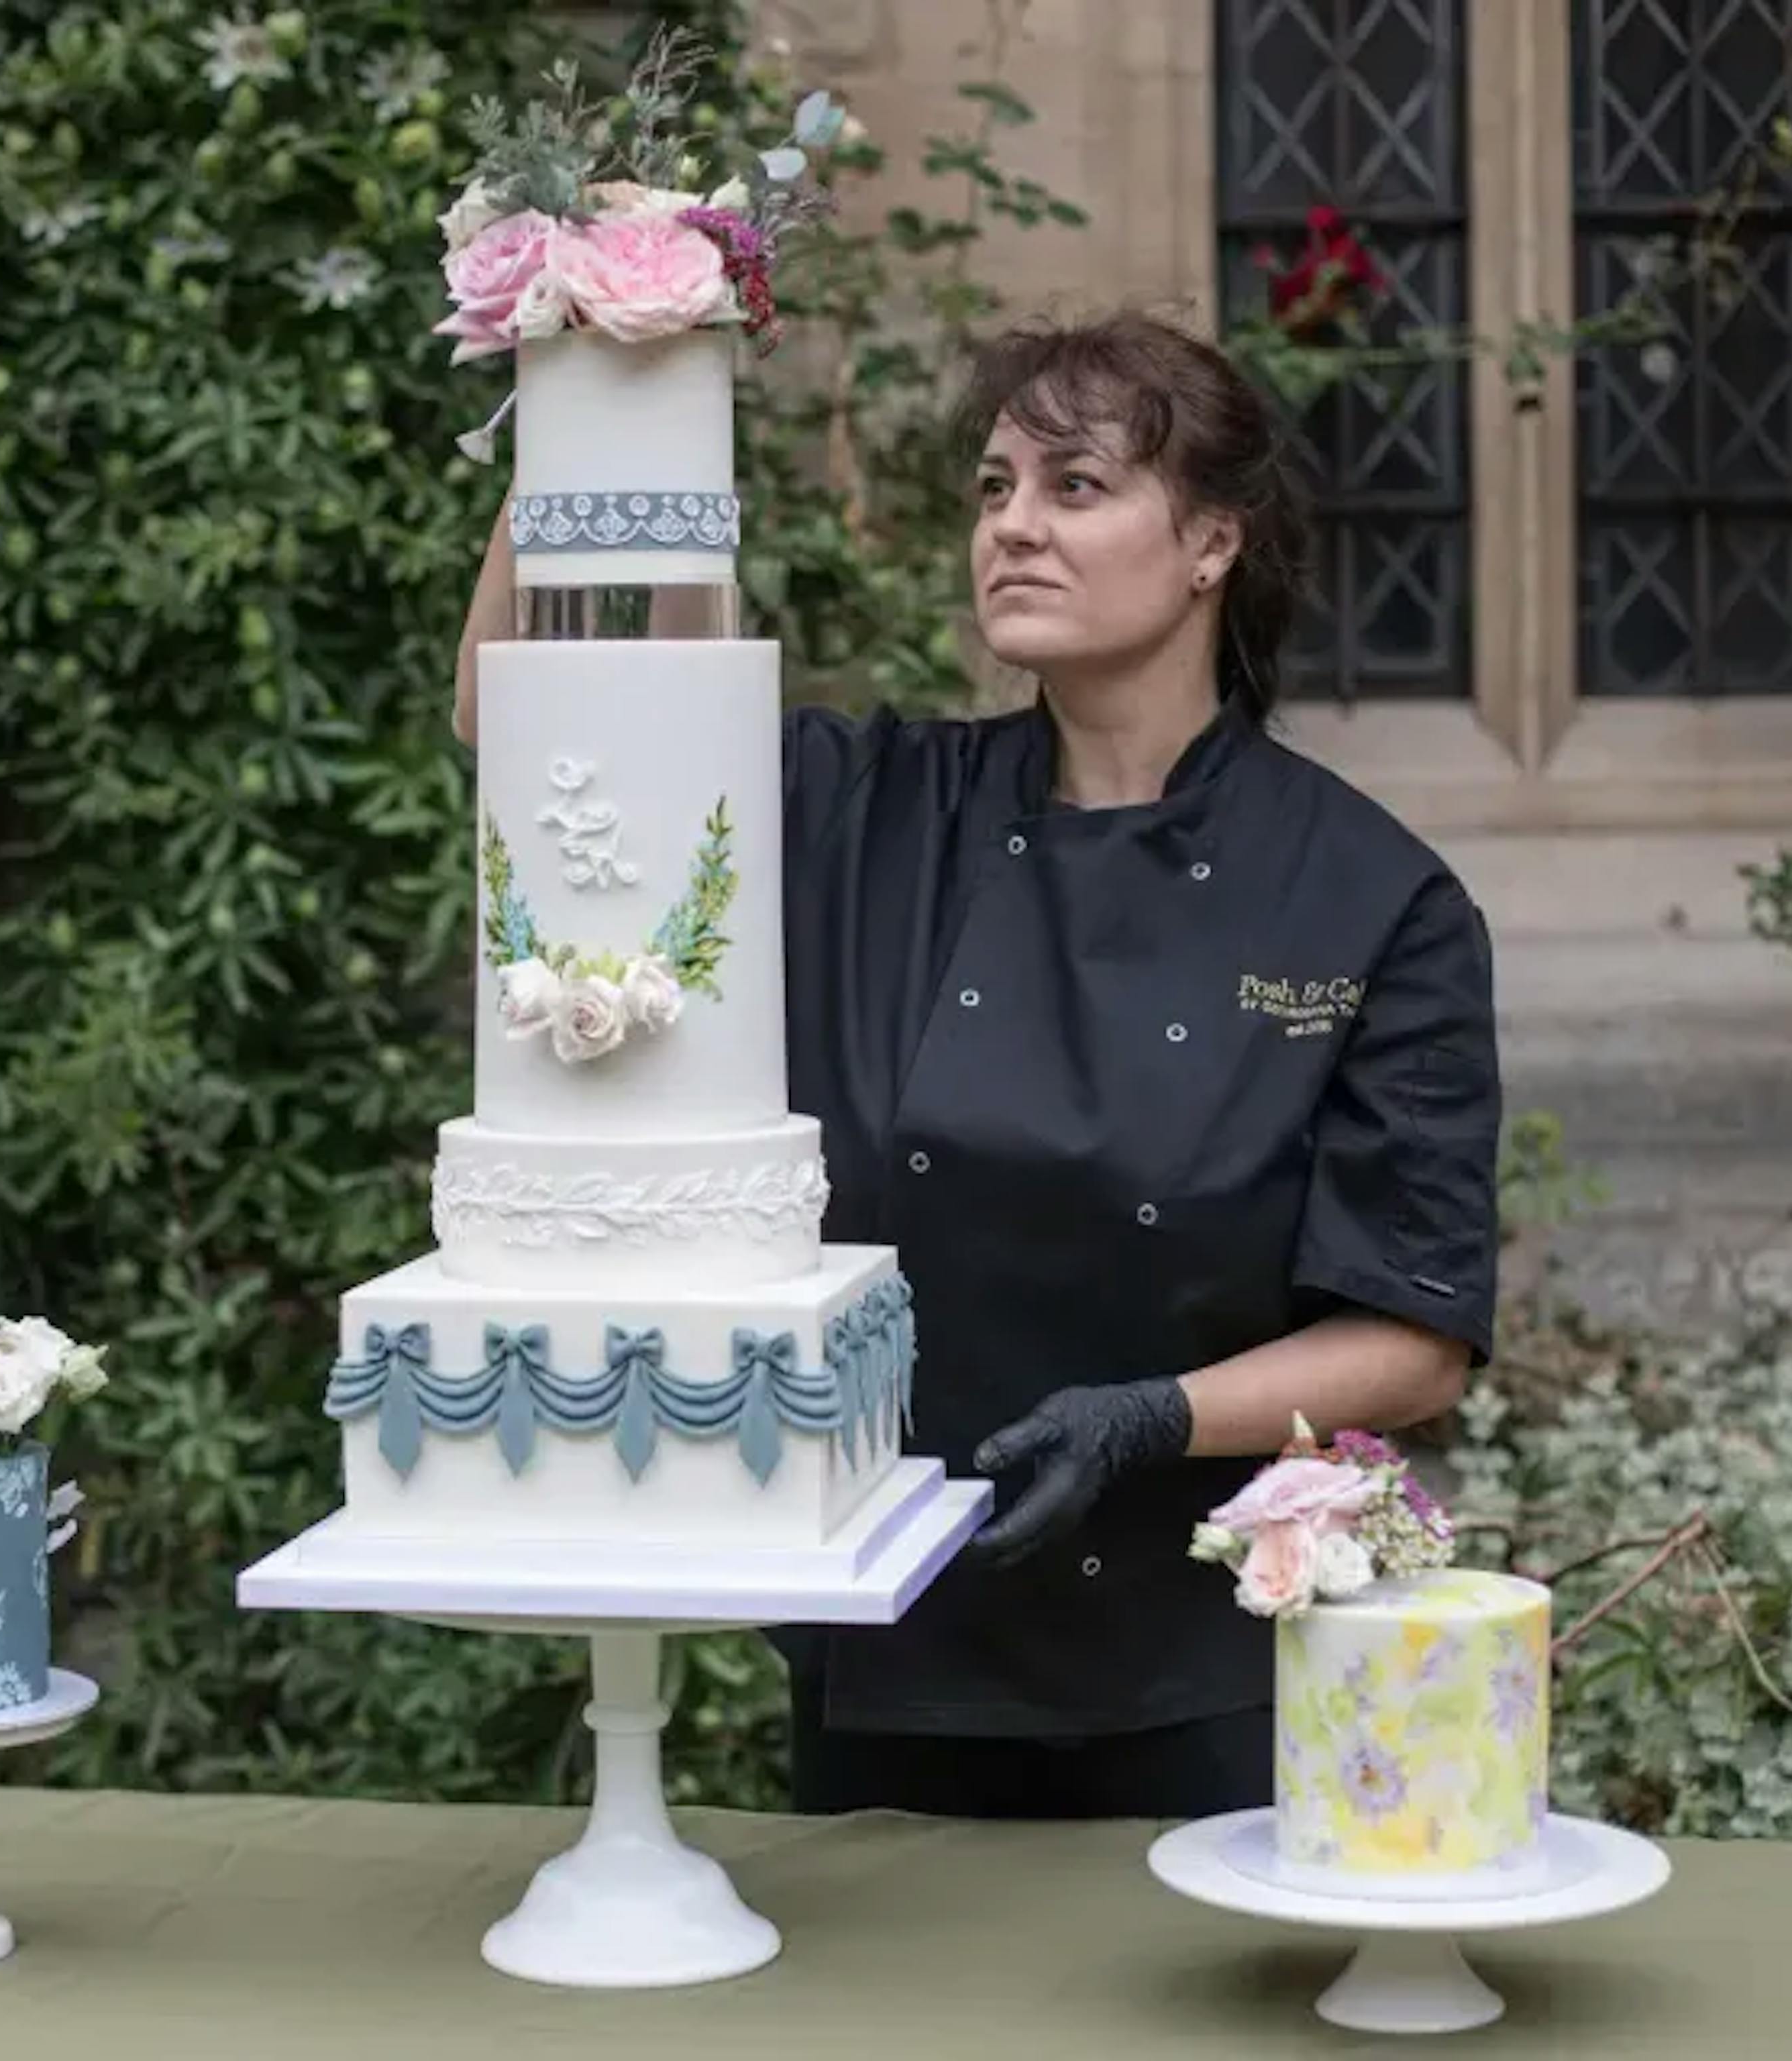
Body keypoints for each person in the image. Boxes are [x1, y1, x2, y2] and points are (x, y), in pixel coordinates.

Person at [450, 309, 1501, 1821]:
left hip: (1204, 1670)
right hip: (885, 1634)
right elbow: (530, 731)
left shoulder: (1368, 898)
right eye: (994, 489)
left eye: (1075, 488)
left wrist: (1145, 1418)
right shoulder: (874, 814)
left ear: (1210, 543)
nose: (1012, 526)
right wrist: (582, 383)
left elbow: (1416, 1336)